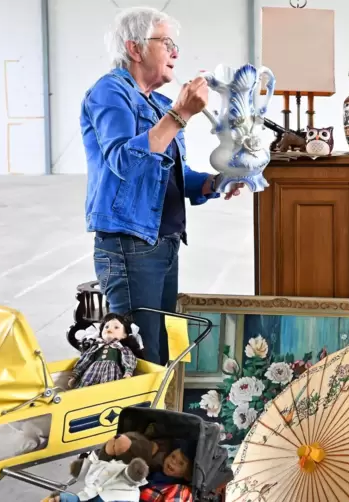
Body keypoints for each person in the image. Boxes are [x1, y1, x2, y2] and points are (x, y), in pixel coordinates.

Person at [80, 7, 243, 365]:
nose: (175, 52)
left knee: (161, 351)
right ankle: (139, 421)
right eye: (166, 42)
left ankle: (159, 420)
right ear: (135, 48)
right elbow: (124, 160)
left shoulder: (157, 105)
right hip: (130, 243)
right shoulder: (110, 92)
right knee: (140, 353)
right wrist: (181, 115)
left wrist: (215, 182)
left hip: (161, 241)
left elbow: (169, 173)